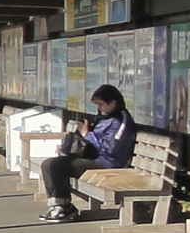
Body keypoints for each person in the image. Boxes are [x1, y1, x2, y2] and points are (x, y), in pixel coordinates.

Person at [40, 84, 134, 221]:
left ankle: (64, 207)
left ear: (113, 102)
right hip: (94, 158)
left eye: (101, 104)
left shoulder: (121, 120)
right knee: (48, 163)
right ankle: (58, 205)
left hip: (108, 163)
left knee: (57, 165)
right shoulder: (105, 118)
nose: (98, 108)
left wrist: (88, 135)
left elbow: (111, 148)